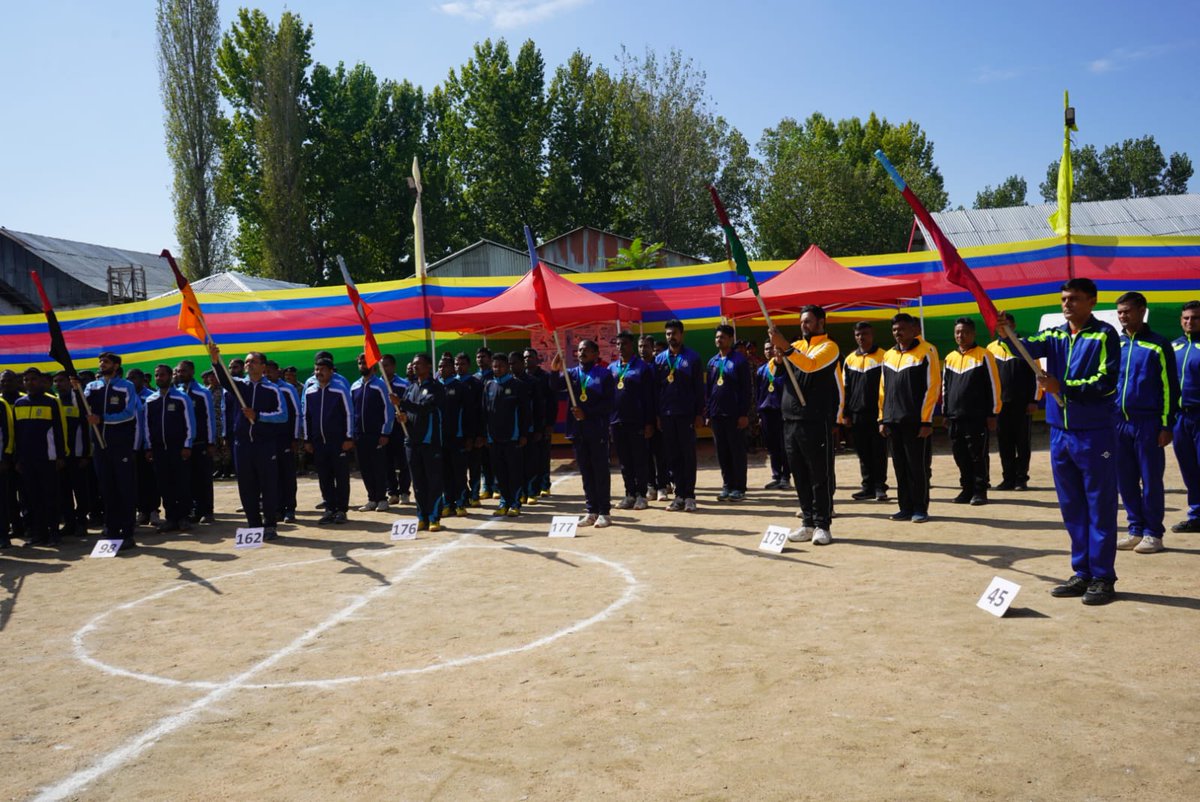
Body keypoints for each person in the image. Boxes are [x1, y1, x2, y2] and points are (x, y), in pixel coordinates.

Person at [1005, 277, 1121, 605]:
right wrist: (1004, 332)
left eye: (1074, 298)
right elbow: (1023, 348)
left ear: (1092, 301)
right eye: (1064, 299)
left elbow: (1107, 382)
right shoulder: (1054, 334)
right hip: (1060, 433)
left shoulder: (1105, 335)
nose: (1067, 304)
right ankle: (1082, 572)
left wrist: (1064, 388)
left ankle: (1103, 576)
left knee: (1099, 506)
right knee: (1072, 507)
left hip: (1094, 433)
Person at [1113, 292, 1180, 554]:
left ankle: (1153, 533)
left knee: (1151, 480)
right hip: (1119, 424)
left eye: (1127, 311)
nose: (1122, 316)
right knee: (1125, 480)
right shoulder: (1116, 344)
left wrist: (1166, 425)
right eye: (1119, 312)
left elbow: (1169, 387)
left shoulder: (1158, 345)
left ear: (1142, 311)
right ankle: (1135, 530)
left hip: (1148, 423)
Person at [770, 304, 840, 545]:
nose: (804, 325)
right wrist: (779, 358)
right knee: (799, 475)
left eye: (808, 321)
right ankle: (807, 523)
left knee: (819, 475)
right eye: (801, 322)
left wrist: (787, 349)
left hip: (815, 420)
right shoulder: (796, 346)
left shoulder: (829, 347)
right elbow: (774, 371)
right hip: (791, 420)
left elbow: (811, 365)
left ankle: (823, 525)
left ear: (821, 322)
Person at [208, 345, 289, 540]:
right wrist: (215, 360)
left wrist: (258, 416)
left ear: (263, 366)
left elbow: (282, 416)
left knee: (268, 486)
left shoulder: (272, 389)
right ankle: (254, 525)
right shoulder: (238, 386)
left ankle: (270, 525)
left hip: (264, 445)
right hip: (242, 445)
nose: (249, 365)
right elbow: (224, 379)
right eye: (246, 362)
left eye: (253, 361)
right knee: (246, 487)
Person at [878, 313, 941, 524]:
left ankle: (920, 508)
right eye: (895, 330)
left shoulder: (927, 351)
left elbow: (932, 388)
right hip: (893, 421)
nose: (898, 333)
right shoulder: (888, 355)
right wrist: (882, 418)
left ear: (914, 330)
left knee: (917, 467)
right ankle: (904, 507)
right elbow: (883, 389)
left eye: (902, 329)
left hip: (915, 422)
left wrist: (926, 421)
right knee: (900, 467)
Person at [80, 352, 141, 549]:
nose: (102, 364)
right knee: (107, 489)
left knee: (125, 488)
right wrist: (76, 389)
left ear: (115, 366)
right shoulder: (92, 386)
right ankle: (112, 530)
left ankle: (127, 532)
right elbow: (82, 405)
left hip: (120, 445)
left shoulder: (126, 386)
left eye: (106, 362)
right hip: (99, 446)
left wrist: (103, 419)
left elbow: (129, 413)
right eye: (100, 361)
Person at [551, 340, 615, 526]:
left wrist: (587, 413)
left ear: (595, 354)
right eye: (579, 350)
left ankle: (604, 512)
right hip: (578, 431)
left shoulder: (604, 374)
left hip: (597, 430)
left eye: (586, 350)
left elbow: (609, 404)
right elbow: (554, 387)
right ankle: (591, 511)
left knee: (600, 471)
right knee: (586, 472)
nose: (581, 353)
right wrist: (554, 371)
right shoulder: (571, 374)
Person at [942, 317, 1001, 506]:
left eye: (965, 332)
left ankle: (979, 491)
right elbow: (945, 387)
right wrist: (945, 412)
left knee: (977, 455)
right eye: (958, 332)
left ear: (973, 334)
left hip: (977, 416)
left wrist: (992, 413)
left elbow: (994, 385)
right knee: (960, 455)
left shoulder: (984, 355)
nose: (961, 335)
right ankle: (966, 489)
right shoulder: (950, 358)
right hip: (955, 416)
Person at [986, 313, 1042, 491]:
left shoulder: (1025, 346)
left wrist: (1034, 400)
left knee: (1022, 442)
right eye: (1000, 326)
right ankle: (1008, 478)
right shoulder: (991, 349)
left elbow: (1037, 374)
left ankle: (1021, 478)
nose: (1003, 329)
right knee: (1004, 442)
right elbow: (988, 378)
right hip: (1001, 405)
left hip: (1022, 404)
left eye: (1006, 325)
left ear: (1014, 325)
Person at [654, 320, 704, 512]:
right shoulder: (659, 360)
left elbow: (698, 388)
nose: (671, 337)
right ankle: (679, 496)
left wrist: (699, 413)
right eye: (668, 334)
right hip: (667, 415)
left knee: (688, 455)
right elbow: (656, 390)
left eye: (674, 333)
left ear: (682, 334)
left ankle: (690, 496)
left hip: (686, 415)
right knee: (673, 456)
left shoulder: (692, 357)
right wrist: (658, 415)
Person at [13, 369, 65, 546]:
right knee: (32, 498)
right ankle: (39, 534)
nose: (30, 382)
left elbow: (60, 430)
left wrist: (60, 455)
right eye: (26, 379)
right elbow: (17, 434)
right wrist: (18, 459)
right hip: (27, 459)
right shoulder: (19, 403)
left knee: (50, 496)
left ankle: (54, 533)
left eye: (33, 379)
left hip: (48, 457)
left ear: (41, 381)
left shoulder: (51, 402)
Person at [142, 364, 196, 534]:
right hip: (158, 450)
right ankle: (171, 518)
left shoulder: (182, 398)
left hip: (178, 449)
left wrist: (187, 445)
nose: (159, 378)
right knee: (164, 485)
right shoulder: (150, 400)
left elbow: (190, 423)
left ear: (171, 376)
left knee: (182, 483)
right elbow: (147, 425)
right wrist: (148, 447)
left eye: (162, 375)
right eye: (157, 375)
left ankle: (184, 517)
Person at [303, 357, 355, 525]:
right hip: (319, 443)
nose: (319, 372)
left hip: (338, 442)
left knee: (341, 476)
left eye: (323, 369)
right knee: (324, 477)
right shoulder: (309, 392)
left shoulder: (340, 390)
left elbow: (349, 414)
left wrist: (348, 437)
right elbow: (306, 417)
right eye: (316, 369)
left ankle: (341, 510)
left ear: (331, 371)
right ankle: (329, 509)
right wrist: (307, 440)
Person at [398, 353, 446, 531]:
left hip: (430, 442)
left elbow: (425, 408)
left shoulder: (436, 387)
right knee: (417, 483)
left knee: (433, 481)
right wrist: (403, 417)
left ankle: (434, 517)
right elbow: (408, 412)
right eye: (413, 364)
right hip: (411, 442)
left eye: (419, 364)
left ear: (428, 366)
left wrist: (402, 403)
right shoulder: (411, 388)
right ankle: (422, 516)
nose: (415, 366)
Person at [841, 322, 888, 501]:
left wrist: (885, 414)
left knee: (879, 451)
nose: (861, 337)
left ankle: (880, 487)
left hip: (878, 414)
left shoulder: (884, 356)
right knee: (862, 452)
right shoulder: (850, 360)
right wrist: (845, 414)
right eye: (858, 334)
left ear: (872, 334)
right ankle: (867, 487)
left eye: (865, 334)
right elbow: (845, 388)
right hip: (857, 414)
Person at [707, 324, 752, 502]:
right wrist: (708, 413)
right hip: (716, 414)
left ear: (731, 339)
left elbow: (746, 389)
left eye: (722, 337)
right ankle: (727, 485)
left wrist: (743, 414)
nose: (719, 340)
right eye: (717, 337)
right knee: (722, 452)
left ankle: (739, 487)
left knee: (737, 451)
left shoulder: (739, 361)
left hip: (734, 415)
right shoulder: (712, 362)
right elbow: (708, 390)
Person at [610, 331, 655, 510]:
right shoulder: (612, 368)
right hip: (616, 421)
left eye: (624, 344)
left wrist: (649, 422)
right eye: (618, 344)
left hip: (636, 421)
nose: (621, 347)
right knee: (624, 461)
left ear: (632, 345)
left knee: (639, 459)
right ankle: (629, 494)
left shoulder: (642, 368)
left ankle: (641, 495)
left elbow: (649, 397)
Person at [482, 352, 528, 517]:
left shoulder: (517, 385)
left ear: (507, 366)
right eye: (495, 366)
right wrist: (485, 435)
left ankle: (515, 504)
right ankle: (503, 502)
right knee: (499, 473)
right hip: (494, 438)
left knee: (514, 472)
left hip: (513, 437)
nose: (498, 369)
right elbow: (484, 412)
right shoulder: (488, 385)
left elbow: (525, 412)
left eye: (501, 366)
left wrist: (523, 434)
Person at [351, 353, 394, 512]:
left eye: (365, 362)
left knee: (378, 467)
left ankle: (382, 499)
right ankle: (372, 499)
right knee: (365, 468)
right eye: (360, 363)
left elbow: (388, 410)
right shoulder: (354, 386)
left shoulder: (380, 385)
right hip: (359, 435)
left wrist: (385, 433)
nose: (362, 365)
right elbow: (351, 412)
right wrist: (351, 433)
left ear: (372, 365)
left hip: (376, 435)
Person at [175, 360, 217, 524]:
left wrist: (211, 442)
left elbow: (209, 418)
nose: (181, 374)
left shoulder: (202, 392)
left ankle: (207, 511)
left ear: (192, 372)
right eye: (179, 371)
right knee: (188, 479)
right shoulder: (177, 393)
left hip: (200, 442)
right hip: (183, 444)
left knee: (203, 478)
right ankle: (194, 510)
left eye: (184, 371)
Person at [1172, 301, 1200, 534]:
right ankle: (1197, 515)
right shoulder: (1174, 347)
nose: (1190, 322)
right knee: (1189, 468)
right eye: (1186, 318)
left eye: (1196, 318)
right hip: (1179, 418)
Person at [52, 371, 91, 537]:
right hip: (61, 457)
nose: (58, 384)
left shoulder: (80, 402)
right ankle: (69, 523)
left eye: (61, 381)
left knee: (81, 491)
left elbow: (87, 430)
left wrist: (86, 455)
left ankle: (82, 522)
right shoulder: (54, 402)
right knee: (63, 492)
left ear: (69, 383)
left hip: (78, 456)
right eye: (55, 381)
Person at [266, 359, 302, 523]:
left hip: (285, 439)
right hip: (267, 441)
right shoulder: (263, 388)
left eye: (270, 371)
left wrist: (294, 437)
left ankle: (289, 509)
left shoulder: (288, 389)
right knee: (272, 476)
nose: (267, 375)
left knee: (287, 475)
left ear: (278, 372)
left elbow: (296, 413)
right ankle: (277, 509)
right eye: (264, 372)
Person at [437, 354, 468, 518]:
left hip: (457, 438)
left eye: (445, 366)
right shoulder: (435, 387)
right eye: (440, 367)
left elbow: (468, 413)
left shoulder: (460, 387)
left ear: (452, 368)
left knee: (459, 473)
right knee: (444, 473)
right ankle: (448, 504)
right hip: (439, 439)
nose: (442, 369)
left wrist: (468, 436)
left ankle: (461, 503)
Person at [521, 348, 554, 502]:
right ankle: (531, 486)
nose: (527, 359)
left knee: (543, 455)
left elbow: (551, 402)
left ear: (537, 359)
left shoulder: (545, 377)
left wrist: (549, 423)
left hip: (543, 423)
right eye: (525, 357)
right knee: (530, 458)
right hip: (528, 425)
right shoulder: (521, 378)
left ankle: (545, 485)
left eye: (530, 357)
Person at [756, 342, 790, 491]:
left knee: (784, 446)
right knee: (772, 446)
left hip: (782, 411)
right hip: (766, 411)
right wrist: (759, 413)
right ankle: (776, 476)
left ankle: (786, 477)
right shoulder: (761, 370)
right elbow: (758, 392)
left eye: (771, 348)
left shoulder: (785, 368)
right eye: (766, 349)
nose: (768, 351)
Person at [128, 368, 160, 527]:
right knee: (137, 480)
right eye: (128, 378)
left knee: (151, 479)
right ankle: (142, 511)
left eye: (133, 378)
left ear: (142, 380)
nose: (130, 381)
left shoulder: (151, 396)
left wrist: (149, 445)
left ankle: (154, 510)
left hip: (148, 445)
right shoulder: (127, 396)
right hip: (133, 445)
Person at [640, 335, 671, 501]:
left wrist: (659, 416)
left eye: (646, 346)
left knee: (660, 453)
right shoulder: (636, 367)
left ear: (653, 348)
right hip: (640, 417)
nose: (642, 350)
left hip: (657, 416)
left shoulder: (659, 367)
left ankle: (662, 486)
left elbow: (661, 393)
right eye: (640, 346)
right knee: (645, 454)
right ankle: (650, 485)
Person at [454, 352, 485, 511]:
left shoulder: (476, 383)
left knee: (474, 466)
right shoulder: (451, 384)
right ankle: (464, 495)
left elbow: (481, 410)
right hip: (456, 435)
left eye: (462, 364)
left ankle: (475, 494)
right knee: (459, 469)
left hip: (473, 432)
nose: (459, 367)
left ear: (469, 365)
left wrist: (479, 434)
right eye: (457, 364)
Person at [380, 354, 412, 505]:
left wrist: (404, 414)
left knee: (403, 461)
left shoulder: (404, 384)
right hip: (384, 429)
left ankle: (404, 491)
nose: (384, 369)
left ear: (393, 366)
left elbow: (409, 405)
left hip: (400, 428)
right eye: (381, 366)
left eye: (386, 365)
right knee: (387, 461)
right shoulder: (378, 385)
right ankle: (392, 492)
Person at [473, 347, 497, 501]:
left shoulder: (494, 376)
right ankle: (486, 487)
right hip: (477, 423)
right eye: (478, 357)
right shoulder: (473, 378)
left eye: (483, 357)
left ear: (490, 359)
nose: (480, 359)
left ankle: (496, 487)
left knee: (494, 457)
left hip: (492, 422)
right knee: (481, 459)